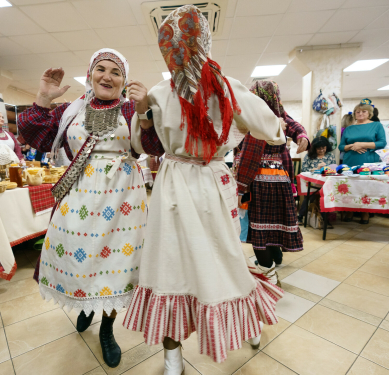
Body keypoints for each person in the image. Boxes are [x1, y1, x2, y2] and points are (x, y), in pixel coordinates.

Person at [123, 6, 284, 371]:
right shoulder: (180, 92)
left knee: (210, 259)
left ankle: (229, 331)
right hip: (195, 181)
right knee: (174, 263)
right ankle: (174, 355)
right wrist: (144, 110)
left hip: (188, 182)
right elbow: (270, 127)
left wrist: (146, 112)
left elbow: (139, 144)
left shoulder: (219, 88)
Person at [17, 49, 148, 368]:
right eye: (100, 69)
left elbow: (153, 146)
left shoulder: (132, 108)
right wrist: (43, 98)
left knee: (118, 266)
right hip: (77, 198)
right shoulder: (69, 110)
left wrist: (146, 110)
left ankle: (106, 328)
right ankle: (87, 305)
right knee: (81, 257)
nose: (107, 76)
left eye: (115, 72)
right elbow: (33, 135)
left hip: (122, 201)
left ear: (124, 79)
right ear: (90, 74)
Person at [235, 80, 308, 274]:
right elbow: (294, 127)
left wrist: (303, 137)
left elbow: (296, 127)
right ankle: (273, 259)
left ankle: (268, 266)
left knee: (261, 221)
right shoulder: (275, 117)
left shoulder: (254, 117)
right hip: (279, 176)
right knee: (276, 218)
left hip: (256, 177)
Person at [340, 99, 386, 223]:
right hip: (350, 160)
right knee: (350, 186)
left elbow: (382, 143)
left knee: (366, 187)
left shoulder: (376, 125)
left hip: (369, 161)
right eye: (357, 112)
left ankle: (365, 214)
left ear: (369, 113)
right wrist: (352, 146)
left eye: (363, 111)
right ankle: (349, 212)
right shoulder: (349, 129)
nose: (360, 114)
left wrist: (362, 144)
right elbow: (341, 146)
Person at [298, 136, 336, 222]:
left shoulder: (330, 156)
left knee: (327, 195)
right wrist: (316, 169)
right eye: (319, 149)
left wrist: (327, 169)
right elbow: (304, 170)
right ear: (314, 148)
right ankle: (300, 215)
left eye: (323, 148)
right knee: (310, 195)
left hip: (326, 182)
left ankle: (324, 217)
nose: (322, 150)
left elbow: (334, 169)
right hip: (312, 182)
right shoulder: (309, 156)